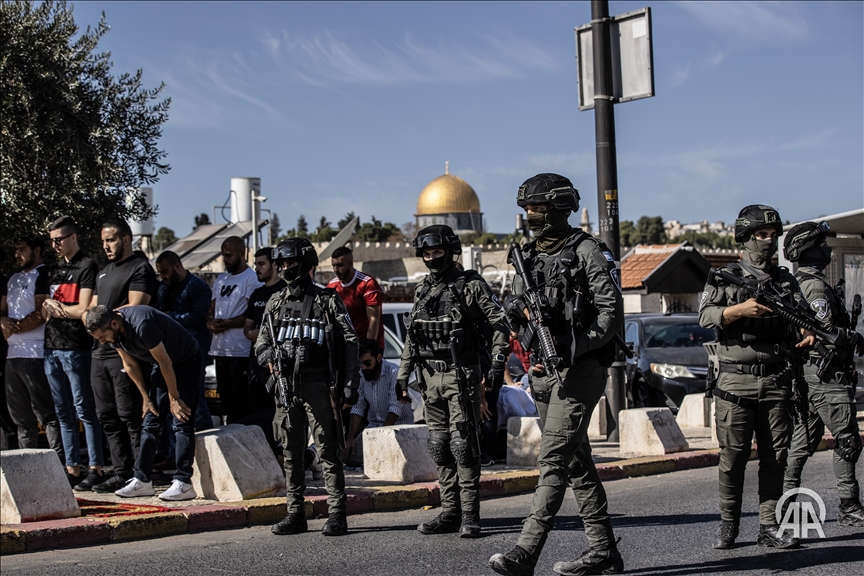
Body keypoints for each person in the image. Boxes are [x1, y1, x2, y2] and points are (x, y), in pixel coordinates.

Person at [489, 174, 624, 576]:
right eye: (527, 209)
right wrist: (519, 314)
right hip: (542, 370)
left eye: (539, 209)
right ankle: (604, 552)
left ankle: (525, 552)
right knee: (577, 463)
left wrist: (574, 345)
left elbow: (610, 314)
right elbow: (510, 308)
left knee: (552, 460)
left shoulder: (588, 251)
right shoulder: (526, 257)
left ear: (559, 209)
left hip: (580, 369)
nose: (530, 216)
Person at [698, 204, 815, 550]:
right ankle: (728, 524)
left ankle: (769, 526)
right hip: (734, 381)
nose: (769, 241)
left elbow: (803, 318)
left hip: (776, 380)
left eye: (773, 235)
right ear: (746, 238)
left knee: (774, 457)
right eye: (762, 235)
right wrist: (739, 310)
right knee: (732, 456)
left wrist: (807, 332)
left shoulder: (785, 280)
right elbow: (705, 316)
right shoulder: (724, 275)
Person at [396, 225, 509, 539]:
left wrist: (498, 363)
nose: (432, 258)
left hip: (461, 374)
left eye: (438, 252)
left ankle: (470, 515)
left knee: (464, 446)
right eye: (427, 254)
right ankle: (449, 512)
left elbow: (500, 324)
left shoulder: (470, 285)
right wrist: (402, 376)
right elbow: (412, 339)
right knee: (439, 446)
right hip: (429, 377)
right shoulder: (423, 290)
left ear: (451, 250)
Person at [255, 238, 360, 537]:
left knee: (328, 451)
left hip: (318, 385)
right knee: (291, 452)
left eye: (292, 264)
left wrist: (350, 385)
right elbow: (261, 342)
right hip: (286, 387)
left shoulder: (327, 301)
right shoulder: (275, 302)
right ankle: (295, 514)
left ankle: (337, 514)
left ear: (307, 265)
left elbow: (349, 342)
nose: (287, 269)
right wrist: (269, 359)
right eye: (283, 264)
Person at [782, 221, 864, 526]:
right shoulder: (813, 286)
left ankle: (785, 501)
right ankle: (849, 506)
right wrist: (853, 338)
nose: (827, 249)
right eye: (822, 244)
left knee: (803, 442)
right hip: (826, 377)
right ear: (810, 251)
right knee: (847, 440)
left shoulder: (805, 281)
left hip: (815, 375)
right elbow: (825, 332)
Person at [85, 305, 202, 501]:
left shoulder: (142, 323)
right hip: (161, 365)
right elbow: (130, 365)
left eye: (102, 337)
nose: (102, 342)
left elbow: (166, 362)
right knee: (150, 419)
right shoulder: (114, 333)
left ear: (114, 323)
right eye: (98, 339)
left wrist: (174, 397)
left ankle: (183, 482)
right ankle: (142, 480)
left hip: (185, 360)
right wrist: (146, 399)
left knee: (182, 419)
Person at [87, 218, 157, 493]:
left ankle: (141, 475)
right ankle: (120, 473)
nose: (106, 245)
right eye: (103, 241)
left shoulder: (139, 268)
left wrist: (100, 319)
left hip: (124, 350)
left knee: (130, 414)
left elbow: (135, 307)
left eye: (111, 239)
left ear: (126, 239)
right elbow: (91, 310)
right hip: (98, 354)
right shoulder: (103, 272)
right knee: (106, 415)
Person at [41, 216, 105, 490]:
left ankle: (96, 467)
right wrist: (52, 307)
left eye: (59, 239)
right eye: (51, 240)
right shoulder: (54, 270)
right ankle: (71, 467)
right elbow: (45, 309)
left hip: (76, 347)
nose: (55, 245)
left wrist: (59, 309)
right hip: (51, 347)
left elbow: (83, 309)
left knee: (84, 409)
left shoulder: (87, 266)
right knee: (62, 411)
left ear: (73, 237)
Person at [1, 237, 64, 463]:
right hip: (12, 355)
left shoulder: (44, 274)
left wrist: (14, 326)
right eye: (15, 249)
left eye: (22, 249)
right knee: (21, 419)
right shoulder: (13, 278)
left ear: (36, 250)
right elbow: (3, 311)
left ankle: (58, 467)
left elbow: (41, 314)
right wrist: (2, 322)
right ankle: (25, 468)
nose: (17, 254)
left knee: (46, 415)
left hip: (35, 354)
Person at [155, 250, 213, 431]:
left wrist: (169, 317)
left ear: (177, 266)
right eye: (160, 273)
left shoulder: (197, 286)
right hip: (169, 353)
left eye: (165, 271)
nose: (163, 276)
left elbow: (197, 317)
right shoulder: (163, 288)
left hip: (193, 353)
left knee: (197, 402)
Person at [207, 236, 262, 424]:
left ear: (242, 253)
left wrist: (228, 323)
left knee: (243, 404)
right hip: (220, 350)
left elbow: (251, 314)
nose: (225, 259)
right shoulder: (221, 279)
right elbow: (211, 309)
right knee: (226, 403)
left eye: (229, 255)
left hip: (240, 351)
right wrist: (210, 323)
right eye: (223, 255)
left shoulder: (251, 278)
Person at [343, 338, 413, 467]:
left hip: (397, 427)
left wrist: (382, 440)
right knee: (348, 456)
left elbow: (395, 408)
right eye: (361, 363)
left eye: (367, 363)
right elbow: (358, 407)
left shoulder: (394, 372)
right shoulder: (361, 374)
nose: (364, 368)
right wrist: (350, 438)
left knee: (389, 458)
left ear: (379, 358)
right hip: (373, 428)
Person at [243, 247, 284, 414]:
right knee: (258, 412)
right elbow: (247, 326)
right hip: (256, 363)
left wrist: (265, 335)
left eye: (262, 264)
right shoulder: (256, 294)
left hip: (278, 363)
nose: (257, 269)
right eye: (255, 264)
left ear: (274, 265)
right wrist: (251, 334)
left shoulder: (285, 291)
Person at [328, 247, 385, 349]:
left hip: (366, 346)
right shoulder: (332, 286)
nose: (336, 269)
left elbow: (374, 320)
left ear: (350, 264)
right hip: (344, 347)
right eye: (333, 266)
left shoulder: (367, 284)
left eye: (340, 265)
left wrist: (368, 349)